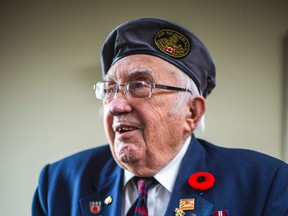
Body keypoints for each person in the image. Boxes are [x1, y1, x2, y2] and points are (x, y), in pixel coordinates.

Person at [32, 17, 288, 216]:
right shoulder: (58, 183)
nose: (115, 106)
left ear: (192, 112)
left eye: (140, 86)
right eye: (110, 89)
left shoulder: (267, 183)